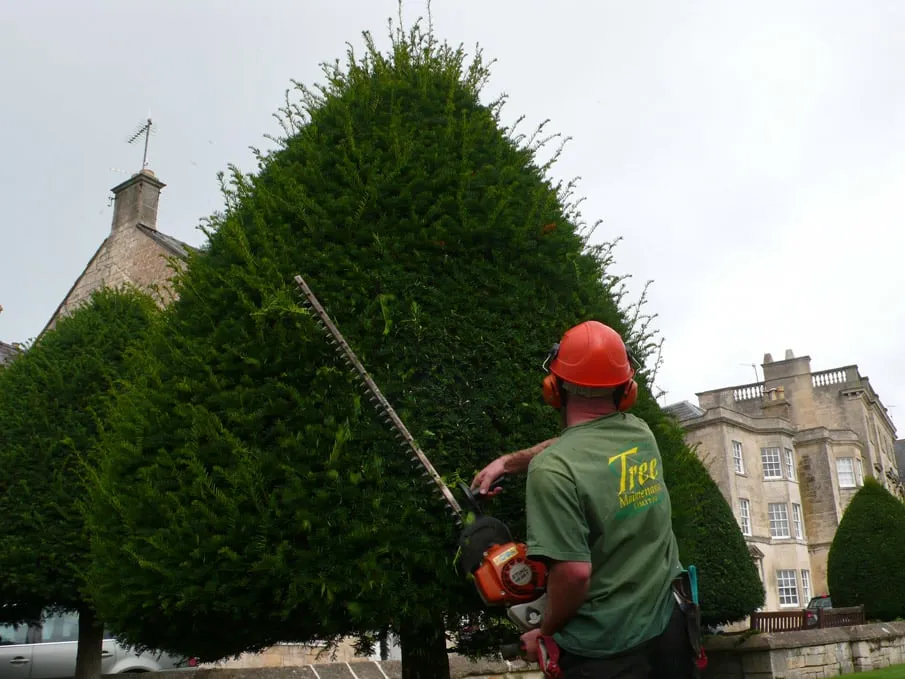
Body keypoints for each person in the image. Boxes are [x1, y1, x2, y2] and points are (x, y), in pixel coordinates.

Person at [471, 320, 698, 678]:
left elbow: (575, 575)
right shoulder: (640, 434)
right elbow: (583, 443)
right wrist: (508, 463)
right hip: (670, 634)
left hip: (603, 654)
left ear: (554, 387)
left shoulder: (553, 470)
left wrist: (546, 632)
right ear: (627, 388)